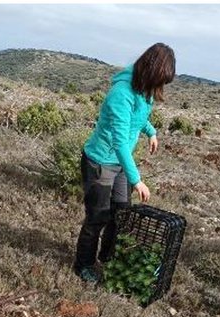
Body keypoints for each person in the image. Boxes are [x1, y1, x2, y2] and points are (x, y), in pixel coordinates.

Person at [74, 43, 175, 283]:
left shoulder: (142, 88)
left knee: (121, 214)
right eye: (159, 80)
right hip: (101, 162)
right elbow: (119, 142)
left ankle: (108, 259)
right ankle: (83, 265)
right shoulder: (121, 93)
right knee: (97, 217)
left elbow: (139, 118)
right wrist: (137, 180)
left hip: (120, 163)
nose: (159, 87)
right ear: (150, 71)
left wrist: (151, 131)